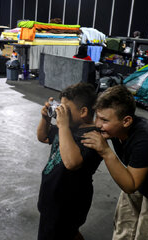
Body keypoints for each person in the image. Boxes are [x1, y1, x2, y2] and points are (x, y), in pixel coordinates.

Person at [81, 85, 148, 239]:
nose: (98, 124)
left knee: (147, 233)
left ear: (126, 121)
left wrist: (106, 152)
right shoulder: (115, 129)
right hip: (138, 171)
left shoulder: (145, 141)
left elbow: (130, 186)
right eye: (97, 116)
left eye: (104, 120)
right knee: (123, 224)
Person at [36, 83, 103, 240]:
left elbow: (72, 163)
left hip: (68, 204)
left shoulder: (93, 137)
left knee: (60, 232)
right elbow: (43, 137)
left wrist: (63, 126)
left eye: (65, 108)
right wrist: (45, 119)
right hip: (52, 196)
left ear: (83, 112)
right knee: (67, 233)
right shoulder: (68, 128)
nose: (61, 112)